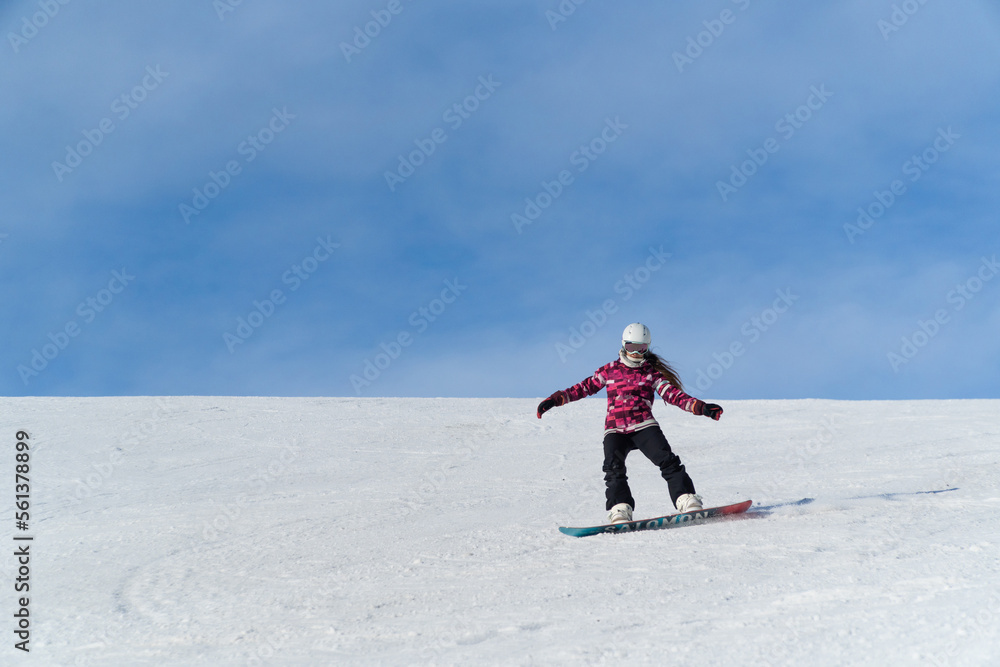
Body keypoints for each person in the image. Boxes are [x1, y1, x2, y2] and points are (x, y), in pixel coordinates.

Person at [537, 323, 723, 524]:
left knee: (667, 461)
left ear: (647, 348)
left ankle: (686, 499)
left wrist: (701, 407)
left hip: (644, 426)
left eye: (641, 348)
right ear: (623, 345)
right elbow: (582, 388)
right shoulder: (608, 371)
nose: (635, 353)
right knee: (613, 468)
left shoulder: (651, 374)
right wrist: (555, 400)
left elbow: (674, 395)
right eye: (631, 347)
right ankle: (620, 509)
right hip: (615, 429)